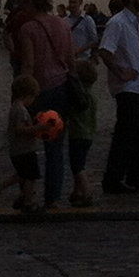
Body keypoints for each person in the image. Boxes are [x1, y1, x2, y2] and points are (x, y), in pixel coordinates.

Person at [12, 0, 76, 207]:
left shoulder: (28, 29)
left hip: (38, 92)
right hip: (61, 88)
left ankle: (26, 194)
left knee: (25, 145)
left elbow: (28, 63)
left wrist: (21, 92)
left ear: (31, 3)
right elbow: (70, 59)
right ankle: (53, 197)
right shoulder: (62, 24)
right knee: (55, 146)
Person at [98, 0, 139, 194]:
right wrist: (120, 72)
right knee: (125, 135)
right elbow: (105, 51)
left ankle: (134, 175)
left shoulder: (134, 22)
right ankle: (113, 179)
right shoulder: (118, 23)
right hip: (128, 87)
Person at [1, 73, 45, 213]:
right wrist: (37, 128)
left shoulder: (16, 107)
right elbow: (20, 129)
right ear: (28, 95)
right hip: (24, 149)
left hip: (19, 149)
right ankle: (28, 202)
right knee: (30, 177)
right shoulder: (20, 109)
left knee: (23, 175)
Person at [60, 57, 101, 207]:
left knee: (77, 167)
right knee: (80, 163)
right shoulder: (92, 97)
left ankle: (86, 193)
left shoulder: (80, 97)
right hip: (88, 134)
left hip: (77, 134)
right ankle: (76, 191)